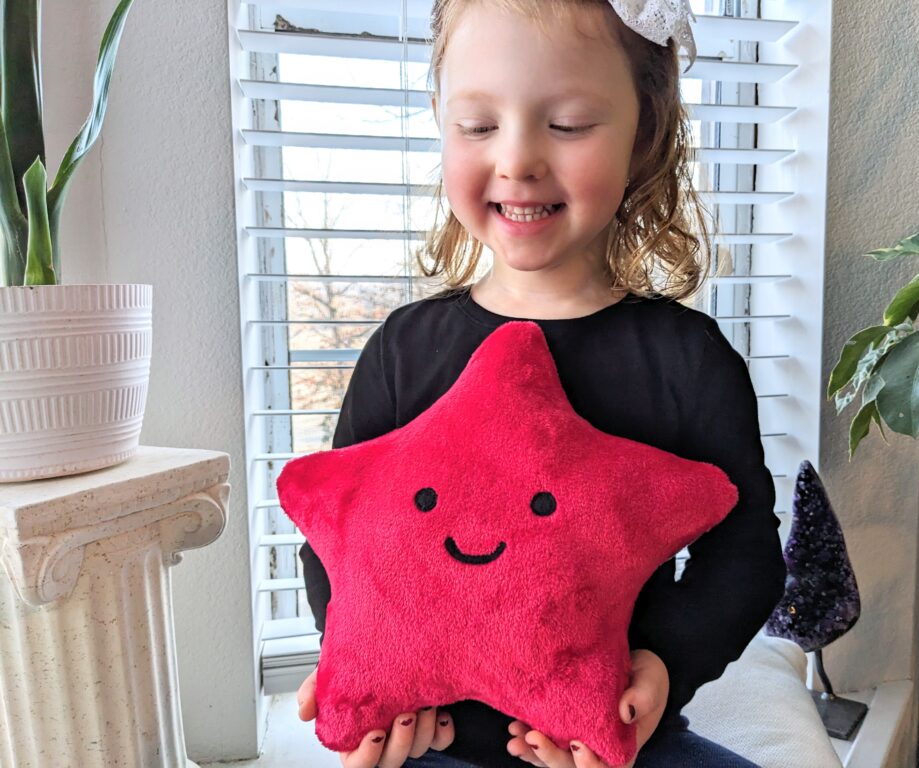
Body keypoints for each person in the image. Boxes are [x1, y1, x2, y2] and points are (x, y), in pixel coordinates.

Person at [295, 0, 787, 766]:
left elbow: (746, 555)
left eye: (567, 125)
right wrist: (356, 668)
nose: (518, 159)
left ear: (645, 131)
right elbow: (337, 537)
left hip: (612, 740)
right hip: (433, 745)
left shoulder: (688, 360)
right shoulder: (404, 350)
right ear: (439, 119)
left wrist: (660, 669)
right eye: (479, 125)